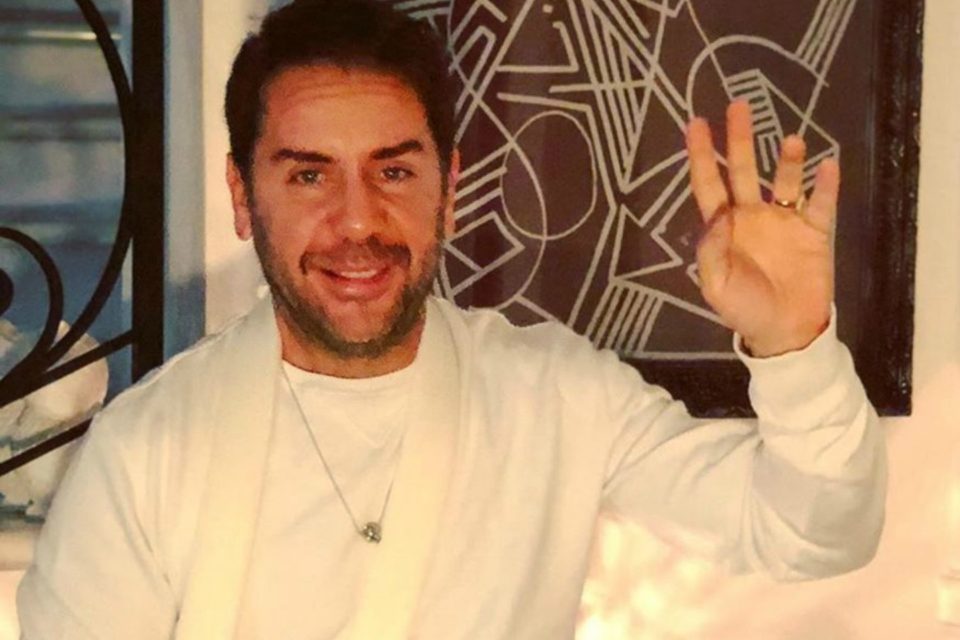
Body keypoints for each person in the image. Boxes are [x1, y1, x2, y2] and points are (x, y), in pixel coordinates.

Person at [16, 1, 886, 638]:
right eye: (309, 175)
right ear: (244, 196)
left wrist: (793, 344)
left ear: (452, 189)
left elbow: (813, 536)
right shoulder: (144, 453)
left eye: (394, 172)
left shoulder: (555, 396)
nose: (358, 221)